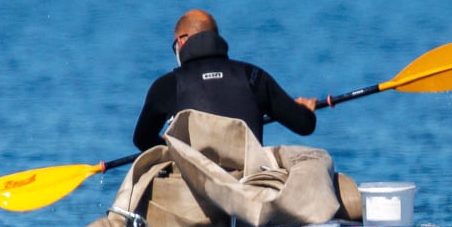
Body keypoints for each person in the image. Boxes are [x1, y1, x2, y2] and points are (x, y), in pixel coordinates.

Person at [132, 9, 318, 151]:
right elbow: (304, 125)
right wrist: (305, 111)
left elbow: (142, 140)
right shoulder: (253, 76)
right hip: (248, 182)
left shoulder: (167, 85)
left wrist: (169, 144)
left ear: (181, 41)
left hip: (192, 183)